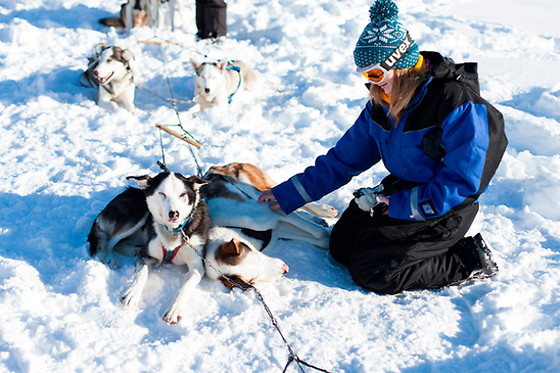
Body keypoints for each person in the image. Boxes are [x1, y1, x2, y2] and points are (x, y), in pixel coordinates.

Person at [258, 0, 508, 294]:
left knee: (375, 271)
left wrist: (404, 205)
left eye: (375, 74)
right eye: (366, 75)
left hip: (445, 204)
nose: (371, 83)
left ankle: (468, 259)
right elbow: (343, 160)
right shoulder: (384, 103)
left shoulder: (455, 104)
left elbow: (461, 181)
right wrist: (289, 194)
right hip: (404, 187)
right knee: (342, 246)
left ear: (399, 64)